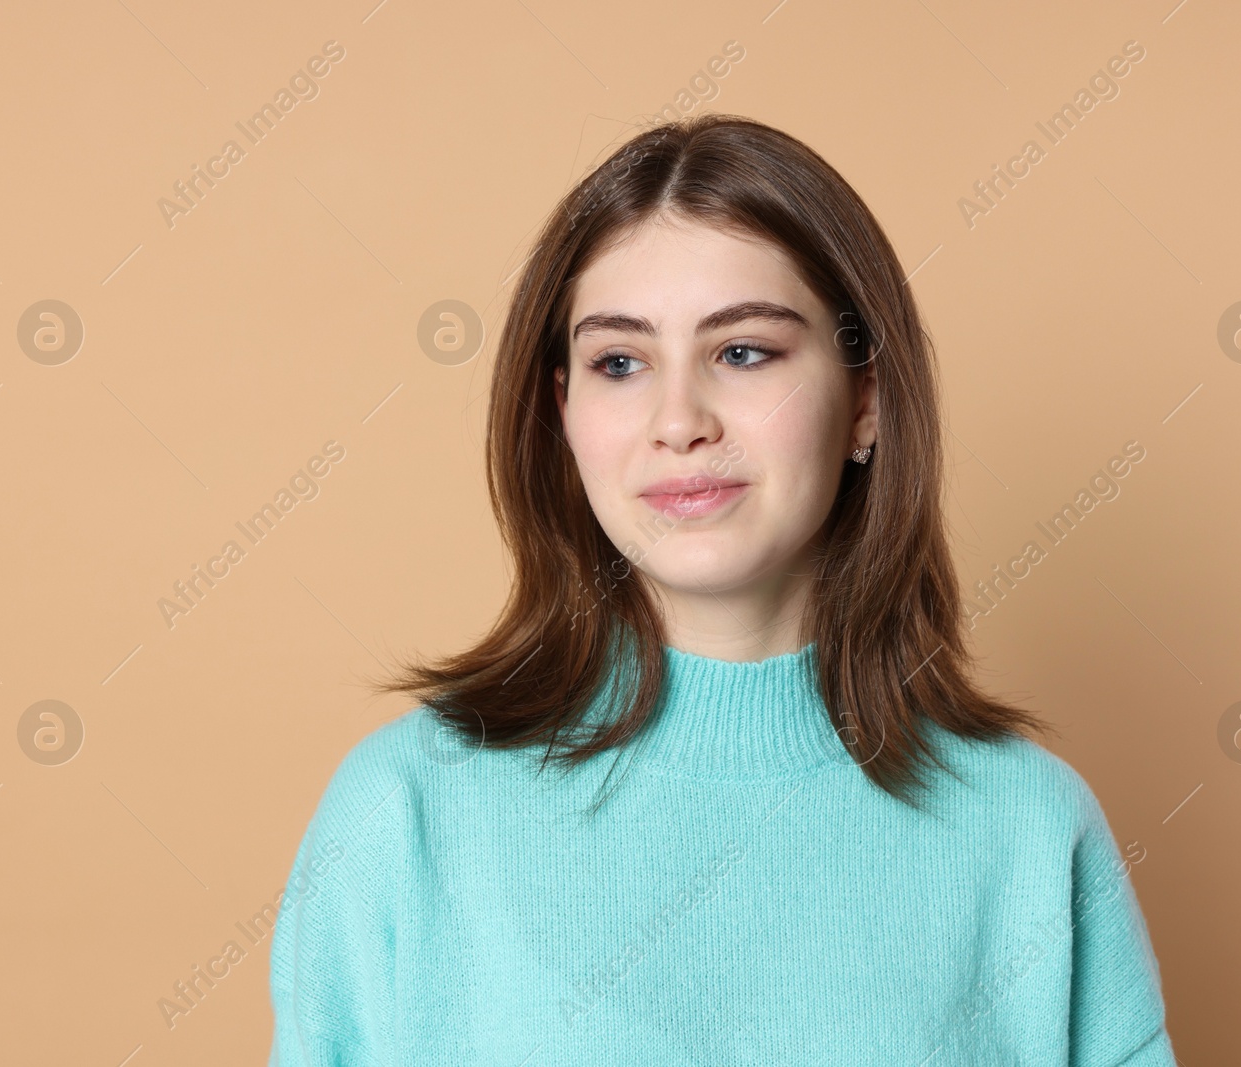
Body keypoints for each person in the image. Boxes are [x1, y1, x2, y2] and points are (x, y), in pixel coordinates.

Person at [266, 113, 1177, 1065]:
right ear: (563, 412)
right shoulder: (404, 813)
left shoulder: (1029, 829)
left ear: (865, 400)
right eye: (620, 362)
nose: (678, 420)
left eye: (743, 351)